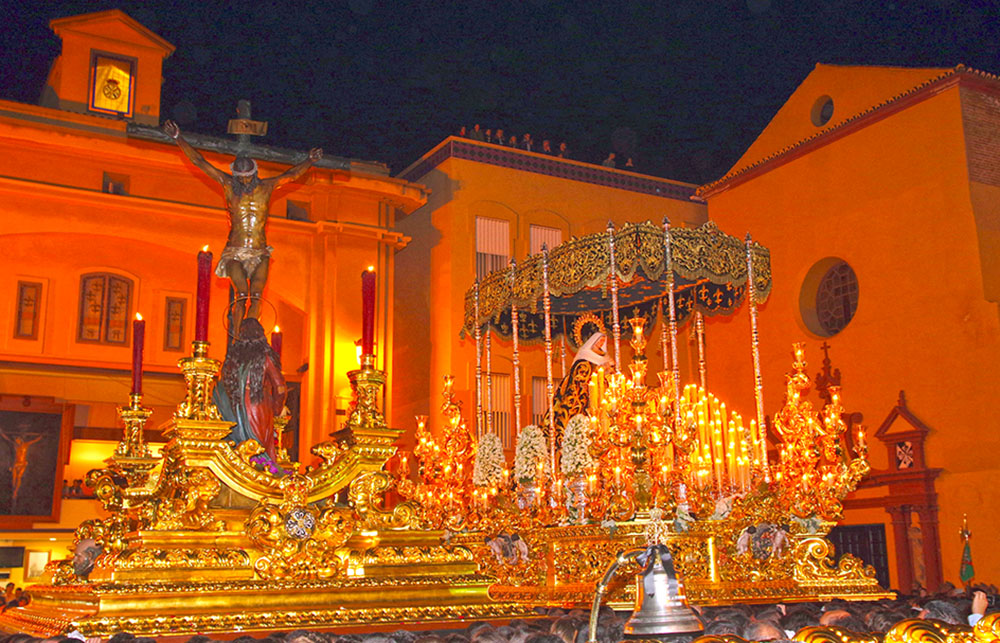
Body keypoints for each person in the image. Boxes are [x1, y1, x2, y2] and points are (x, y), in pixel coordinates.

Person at [163, 120, 321, 328]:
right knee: (241, 294)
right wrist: (178, 138)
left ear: (254, 174)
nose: (245, 183)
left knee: (256, 294)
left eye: (248, 178)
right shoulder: (228, 185)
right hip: (235, 251)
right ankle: (237, 336)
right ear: (236, 176)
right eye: (241, 179)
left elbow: (291, 175)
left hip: (259, 250)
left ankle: (252, 333)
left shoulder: (266, 187)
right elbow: (200, 162)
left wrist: (309, 160)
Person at [214, 318, 287, 462]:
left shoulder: (232, 359)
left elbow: (223, 386)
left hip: (234, 407)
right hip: (257, 404)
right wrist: (277, 409)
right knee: (258, 450)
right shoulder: (265, 357)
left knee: (239, 448)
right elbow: (280, 388)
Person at [542, 332, 611, 446]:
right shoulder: (584, 358)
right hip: (582, 399)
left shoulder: (605, 357)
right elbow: (579, 378)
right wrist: (596, 373)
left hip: (601, 398)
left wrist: (607, 372)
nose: (601, 343)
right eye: (599, 340)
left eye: (603, 341)